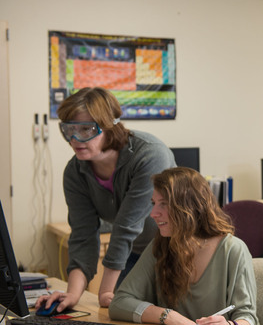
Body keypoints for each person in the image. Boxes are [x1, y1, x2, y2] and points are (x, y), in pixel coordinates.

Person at [36, 87, 175, 312]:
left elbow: (126, 227)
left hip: (177, 251)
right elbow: (83, 235)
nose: (74, 139)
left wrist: (105, 292)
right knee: (120, 317)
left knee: (172, 321)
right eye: (68, 130)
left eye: (86, 129)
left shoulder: (149, 155)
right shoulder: (75, 172)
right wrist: (73, 294)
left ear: (110, 125)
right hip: (137, 252)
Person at [109, 167, 263, 325]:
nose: (153, 214)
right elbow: (119, 303)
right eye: (154, 204)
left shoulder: (232, 249)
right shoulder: (160, 247)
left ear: (188, 206)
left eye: (164, 204)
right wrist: (169, 316)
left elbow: (248, 319)